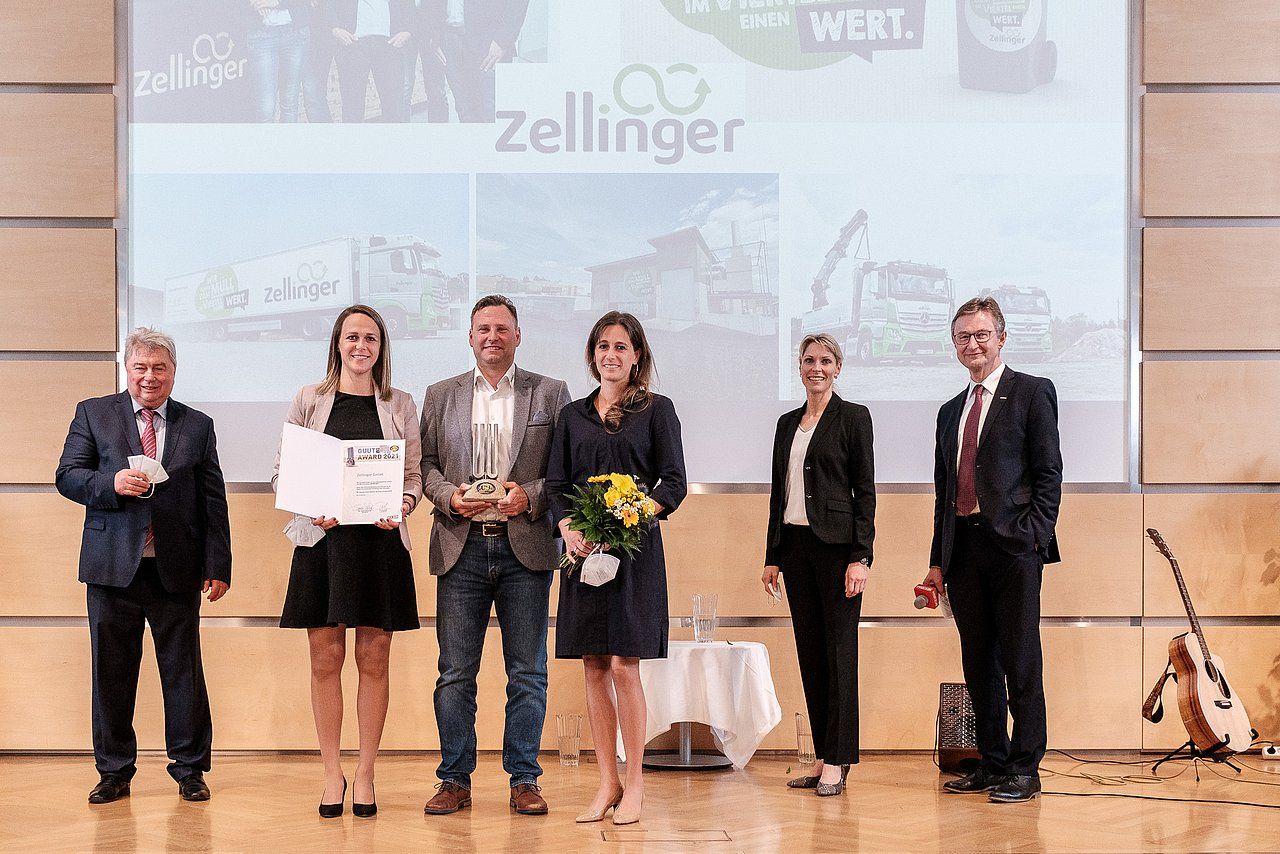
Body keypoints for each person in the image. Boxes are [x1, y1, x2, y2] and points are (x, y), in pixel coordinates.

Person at [55, 328, 232, 805]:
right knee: (111, 673)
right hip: (112, 568)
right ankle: (114, 771)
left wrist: (219, 564)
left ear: (173, 372)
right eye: (141, 367)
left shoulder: (198, 424)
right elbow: (68, 476)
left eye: (160, 368)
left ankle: (190, 769)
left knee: (184, 674)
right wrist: (111, 482)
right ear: (126, 369)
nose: (150, 376)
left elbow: (213, 500)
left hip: (177, 569)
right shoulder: (94, 413)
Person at [419, 294, 570, 817]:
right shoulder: (440, 395)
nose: (492, 337)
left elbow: (562, 470)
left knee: (526, 672)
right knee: (455, 673)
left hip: (523, 546)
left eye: (502, 328)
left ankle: (524, 779)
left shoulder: (549, 393)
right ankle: (454, 780)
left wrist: (529, 495)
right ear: (469, 336)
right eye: (483, 328)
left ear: (518, 335)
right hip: (460, 545)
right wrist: (447, 497)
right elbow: (428, 466)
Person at [272, 304, 422, 818]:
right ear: (337, 342)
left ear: (382, 348)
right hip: (323, 545)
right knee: (324, 659)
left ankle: (366, 773)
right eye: (352, 337)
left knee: (374, 661)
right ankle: (332, 771)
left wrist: (401, 504)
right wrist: (312, 504)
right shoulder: (308, 400)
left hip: (378, 547)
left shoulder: (400, 402)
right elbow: (283, 472)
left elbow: (414, 478)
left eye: (371, 339)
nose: (362, 347)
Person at [919, 296, 1063, 804]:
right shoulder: (948, 412)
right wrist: (937, 562)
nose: (972, 343)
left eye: (981, 334)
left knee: (1021, 661)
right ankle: (993, 761)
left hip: (1014, 548)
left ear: (1001, 337)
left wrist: (1034, 534)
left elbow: (1049, 474)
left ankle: (1025, 768)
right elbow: (943, 495)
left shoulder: (1031, 393)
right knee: (979, 663)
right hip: (964, 551)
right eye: (962, 336)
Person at [548, 311, 687, 826]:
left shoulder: (657, 411)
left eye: (621, 347)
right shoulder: (572, 415)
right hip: (583, 555)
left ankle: (634, 785)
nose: (611, 355)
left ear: (637, 355)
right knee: (593, 666)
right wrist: (567, 527)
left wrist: (636, 513)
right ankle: (605, 781)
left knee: (626, 667)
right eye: (603, 346)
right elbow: (557, 484)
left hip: (634, 554)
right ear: (593, 355)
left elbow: (673, 482)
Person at [762, 333, 874, 797]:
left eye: (825, 360)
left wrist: (861, 556)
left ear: (838, 367)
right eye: (808, 360)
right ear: (799, 367)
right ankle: (824, 757)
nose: (816, 367)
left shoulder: (853, 418)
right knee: (811, 654)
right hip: (795, 549)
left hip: (838, 552)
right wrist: (772, 556)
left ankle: (840, 761)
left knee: (839, 654)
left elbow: (864, 492)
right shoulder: (788, 423)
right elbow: (778, 493)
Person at [439, 0, 531, 122]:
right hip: (449, 40)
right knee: (465, 112)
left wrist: (503, 40)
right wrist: (433, 35)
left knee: (490, 113)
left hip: (489, 44)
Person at [326, 0, 414, 122]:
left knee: (394, 109)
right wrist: (334, 29)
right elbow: (329, 4)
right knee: (352, 110)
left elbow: (409, 5)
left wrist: (408, 30)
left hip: (390, 43)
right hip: (353, 43)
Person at [243, 0, 312, 122]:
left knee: (289, 104)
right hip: (261, 35)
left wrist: (276, 2)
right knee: (265, 109)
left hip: (295, 33)